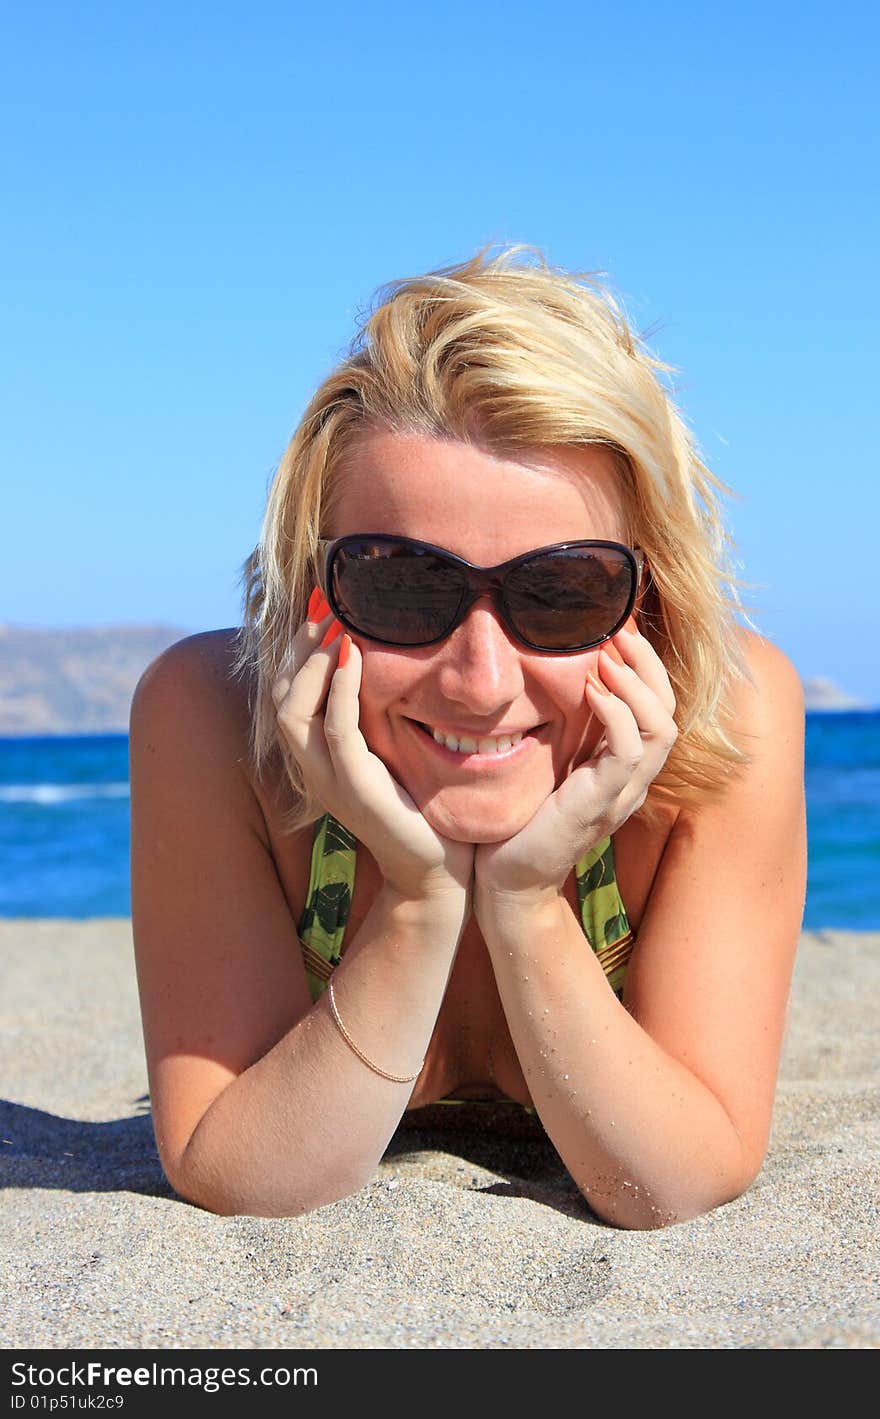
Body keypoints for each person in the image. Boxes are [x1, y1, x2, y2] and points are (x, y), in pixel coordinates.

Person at [129, 246, 807, 1227]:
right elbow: (237, 1171)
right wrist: (416, 899)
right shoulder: (211, 715)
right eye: (405, 585)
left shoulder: (728, 719)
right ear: (313, 591)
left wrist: (528, 904)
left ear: (650, 603)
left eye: (562, 592)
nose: (481, 683)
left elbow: (677, 1178)